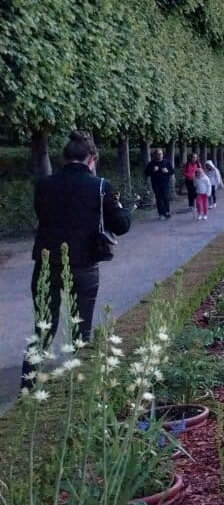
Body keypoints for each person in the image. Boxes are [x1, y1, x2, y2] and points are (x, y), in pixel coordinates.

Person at [25, 131, 132, 390]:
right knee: (80, 328)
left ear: (64, 158)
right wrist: (123, 208)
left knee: (43, 326)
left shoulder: (44, 184)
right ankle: (78, 384)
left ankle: (27, 385)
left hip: (46, 261)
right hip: (83, 263)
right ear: (92, 159)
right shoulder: (99, 186)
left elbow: (41, 214)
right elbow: (121, 225)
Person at [145, 148, 174, 219]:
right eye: (158, 154)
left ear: (163, 154)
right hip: (155, 183)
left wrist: (167, 171)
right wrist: (153, 170)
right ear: (155, 155)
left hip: (165, 183)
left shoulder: (166, 162)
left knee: (166, 197)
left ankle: (167, 211)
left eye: (161, 154)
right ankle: (161, 213)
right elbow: (146, 173)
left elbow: (172, 171)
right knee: (159, 198)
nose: (159, 155)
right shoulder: (151, 163)